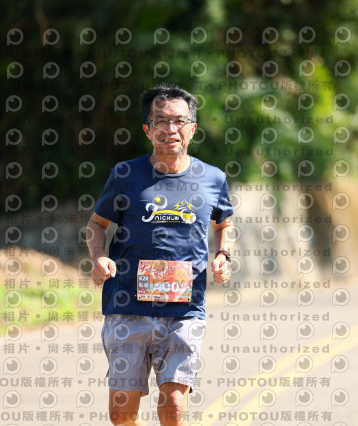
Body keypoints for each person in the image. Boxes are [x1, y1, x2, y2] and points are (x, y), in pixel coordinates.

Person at [86, 83, 234, 426]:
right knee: (121, 415)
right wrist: (98, 257)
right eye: (161, 121)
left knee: (174, 406)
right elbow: (96, 224)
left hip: (185, 309)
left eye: (179, 121)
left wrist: (223, 255)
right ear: (147, 129)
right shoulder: (125, 175)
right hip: (127, 306)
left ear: (192, 128)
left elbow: (224, 224)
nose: (170, 129)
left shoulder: (213, 178)